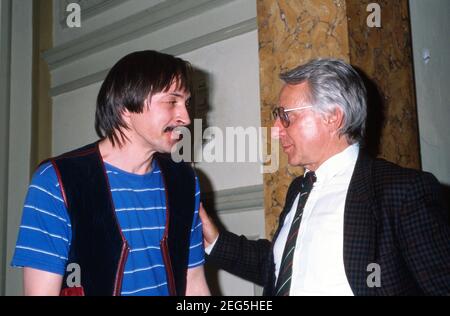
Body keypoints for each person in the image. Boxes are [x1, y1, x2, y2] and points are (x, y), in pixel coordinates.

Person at [200, 58, 450, 296]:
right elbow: (283, 269)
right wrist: (217, 241)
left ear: (333, 117)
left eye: (287, 116)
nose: (276, 131)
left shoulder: (401, 191)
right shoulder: (300, 188)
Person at [11, 50, 210, 296]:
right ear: (126, 107)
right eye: (172, 101)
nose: (187, 117)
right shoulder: (56, 180)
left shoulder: (185, 181)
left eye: (186, 103)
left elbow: (194, 283)